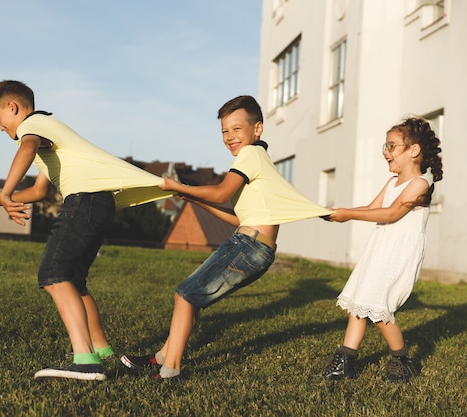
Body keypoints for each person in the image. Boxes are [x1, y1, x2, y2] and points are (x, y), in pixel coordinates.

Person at [0, 80, 172, 381]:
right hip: (97, 201)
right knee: (73, 280)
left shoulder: (34, 126)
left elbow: (27, 148)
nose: (0, 127)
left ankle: (85, 362)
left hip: (86, 200)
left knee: (53, 273)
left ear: (13, 108)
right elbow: (37, 191)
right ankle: (102, 352)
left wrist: (5, 193)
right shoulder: (46, 132)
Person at [120, 95, 332, 379]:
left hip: (249, 245)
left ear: (257, 129)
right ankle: (161, 358)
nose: (230, 137)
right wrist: (195, 200)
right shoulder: (259, 161)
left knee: (185, 295)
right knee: (192, 297)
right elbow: (238, 218)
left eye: (236, 129)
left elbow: (220, 192)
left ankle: (170, 369)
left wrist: (179, 185)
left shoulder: (250, 155)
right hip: (253, 245)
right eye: (224, 131)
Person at [322, 117, 443, 382]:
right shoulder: (392, 183)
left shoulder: (419, 184)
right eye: (384, 147)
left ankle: (402, 359)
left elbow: (390, 213)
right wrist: (339, 211)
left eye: (392, 146)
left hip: (399, 253)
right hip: (379, 250)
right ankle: (345, 361)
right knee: (358, 305)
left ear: (414, 151)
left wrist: (349, 215)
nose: (386, 152)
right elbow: (372, 207)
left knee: (378, 309)